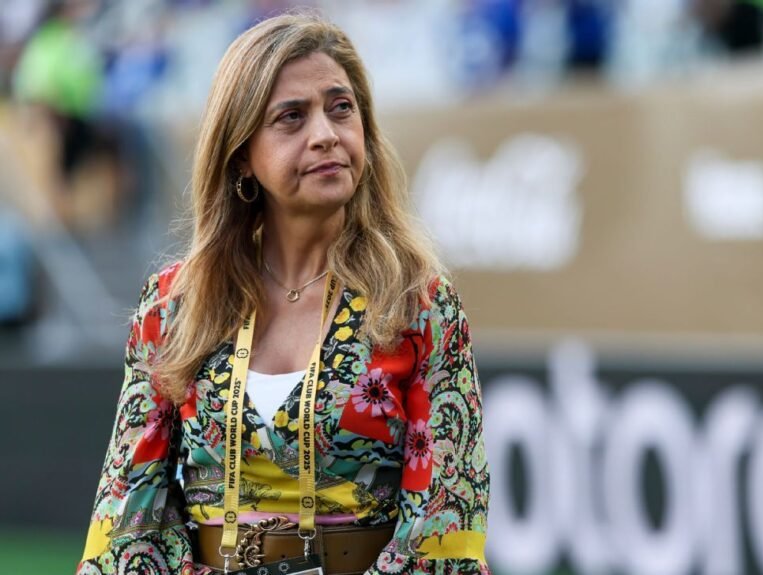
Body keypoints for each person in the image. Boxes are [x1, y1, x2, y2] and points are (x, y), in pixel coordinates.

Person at [78, 11, 489, 575]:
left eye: (340, 108)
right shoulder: (173, 306)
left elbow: (446, 524)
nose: (326, 134)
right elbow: (127, 517)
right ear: (241, 155)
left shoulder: (419, 304)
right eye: (291, 117)